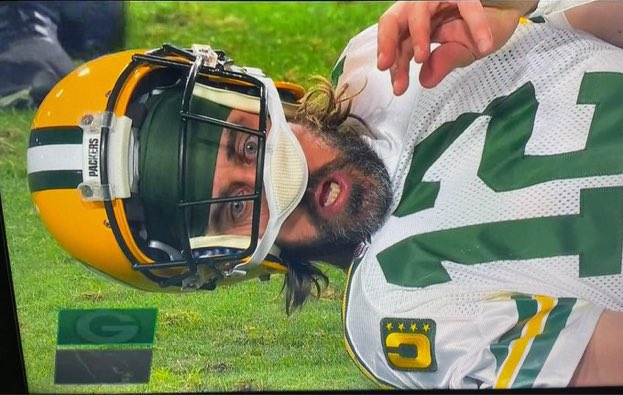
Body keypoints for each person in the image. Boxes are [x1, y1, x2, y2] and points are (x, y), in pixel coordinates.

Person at [25, 0, 623, 389]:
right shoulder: (401, 314)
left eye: (245, 146)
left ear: (257, 94)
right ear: (226, 266)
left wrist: (523, 10)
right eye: (237, 207)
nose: (287, 183)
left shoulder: (388, 58)